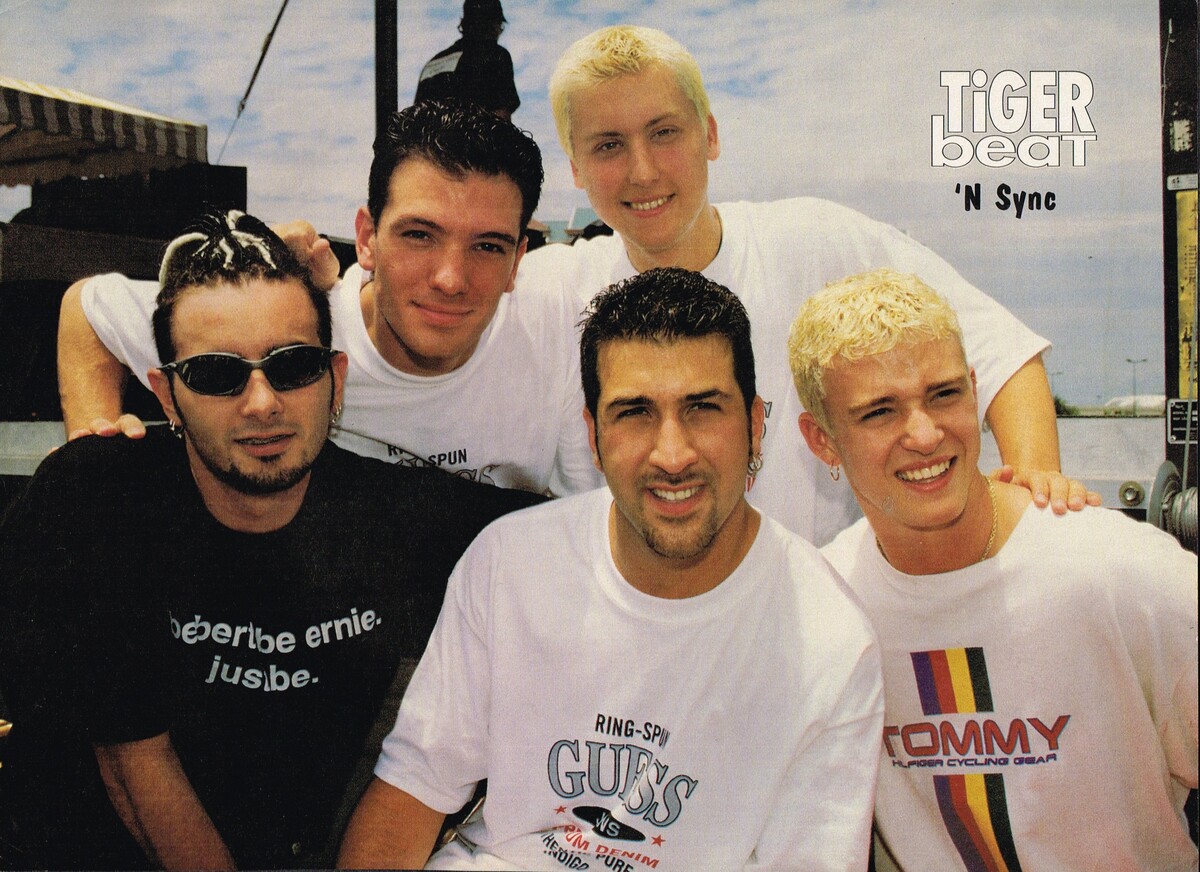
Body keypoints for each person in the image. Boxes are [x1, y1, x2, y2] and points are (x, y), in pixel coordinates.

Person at [0, 212, 543, 869]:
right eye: (216, 374)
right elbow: (132, 765)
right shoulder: (99, 497)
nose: (262, 403)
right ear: (166, 396)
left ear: (335, 379)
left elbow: (585, 537)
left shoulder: (408, 518)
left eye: (293, 366)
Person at [338, 268, 885, 871]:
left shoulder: (829, 636)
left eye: (703, 408)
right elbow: (412, 790)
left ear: (756, 425)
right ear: (592, 437)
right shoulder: (510, 562)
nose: (672, 455)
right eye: (634, 413)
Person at [516, 23, 1097, 544]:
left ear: (710, 135)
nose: (643, 170)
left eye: (664, 133)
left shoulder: (816, 240)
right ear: (575, 167)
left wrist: (1036, 501)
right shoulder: (547, 292)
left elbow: (999, 349)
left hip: (819, 609)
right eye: (609, 145)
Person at [787, 268, 1198, 870]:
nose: (925, 435)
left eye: (944, 395)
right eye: (880, 412)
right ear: (821, 440)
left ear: (976, 393)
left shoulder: (1121, 572)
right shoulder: (825, 608)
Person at [55, 99, 600, 496]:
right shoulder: (296, 332)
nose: (450, 279)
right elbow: (88, 308)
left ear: (517, 261)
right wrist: (94, 444)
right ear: (367, 238)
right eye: (419, 235)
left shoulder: (553, 318)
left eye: (487, 246)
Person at [414, 0, 520, 120]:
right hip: (476, 132)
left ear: (464, 23)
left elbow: (414, 119)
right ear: (493, 24)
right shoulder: (497, 55)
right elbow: (501, 117)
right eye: (500, 26)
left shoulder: (432, 64)